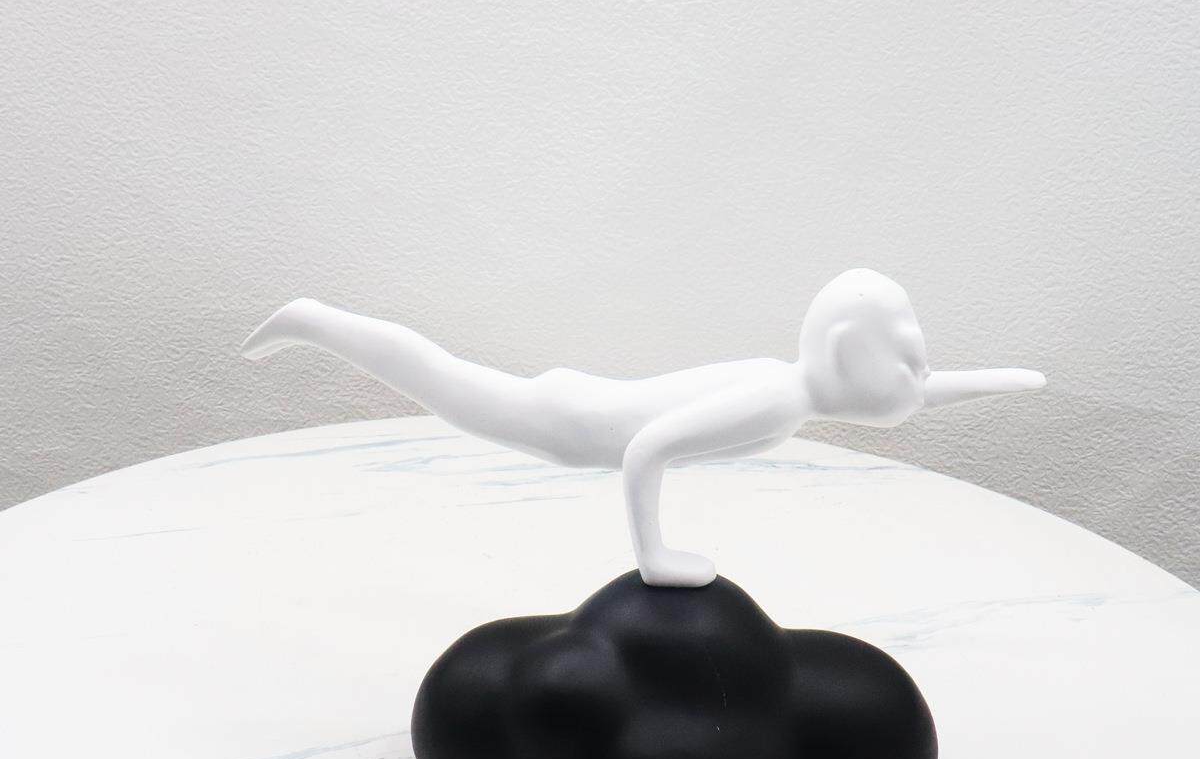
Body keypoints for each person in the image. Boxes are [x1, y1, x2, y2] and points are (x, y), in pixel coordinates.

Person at [242, 268, 1044, 586]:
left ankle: (315, 321)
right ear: (843, 354)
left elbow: (909, 400)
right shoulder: (777, 400)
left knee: (441, 374)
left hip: (581, 407)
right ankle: (314, 320)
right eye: (906, 362)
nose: (918, 379)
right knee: (440, 379)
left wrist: (999, 381)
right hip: (570, 422)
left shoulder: (793, 385)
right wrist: (656, 559)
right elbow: (646, 448)